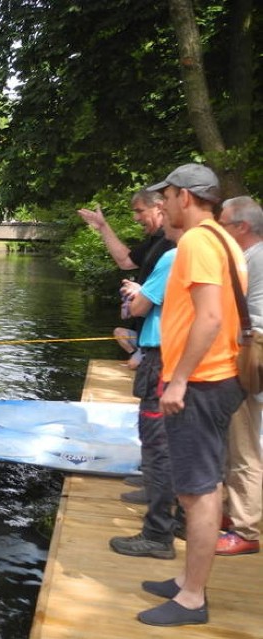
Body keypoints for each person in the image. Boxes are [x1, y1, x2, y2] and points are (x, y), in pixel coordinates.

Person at [137, 163, 246, 627]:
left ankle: (192, 599)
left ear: (185, 196)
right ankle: (187, 581)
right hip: (219, 378)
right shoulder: (223, 238)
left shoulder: (200, 241)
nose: (162, 204)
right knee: (201, 486)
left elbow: (208, 318)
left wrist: (178, 379)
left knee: (198, 493)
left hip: (202, 382)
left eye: (166, 196)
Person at [108, 202, 183, 560]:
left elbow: (140, 307)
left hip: (164, 358)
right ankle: (170, 515)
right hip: (170, 357)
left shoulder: (174, 256)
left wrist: (136, 293)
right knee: (168, 442)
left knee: (157, 443)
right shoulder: (209, 251)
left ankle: (158, 534)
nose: (157, 221)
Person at [214, 196, 263, 556]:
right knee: (240, 439)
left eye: (224, 225)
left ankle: (246, 530)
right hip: (252, 351)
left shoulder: (248, 260)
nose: (219, 231)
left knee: (244, 445)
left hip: (250, 351)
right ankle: (233, 515)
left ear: (241, 228)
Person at [79, 190, 174, 371]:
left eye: (139, 211)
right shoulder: (156, 241)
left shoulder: (174, 244)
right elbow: (125, 261)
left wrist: (141, 292)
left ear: (158, 208)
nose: (135, 218)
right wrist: (103, 227)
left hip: (163, 338)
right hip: (147, 334)